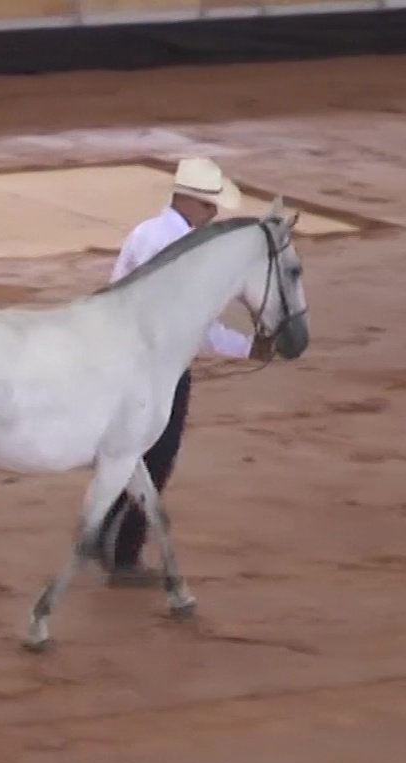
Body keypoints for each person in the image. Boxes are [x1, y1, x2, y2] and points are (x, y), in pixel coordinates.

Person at [96, 157, 256, 586]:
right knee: (154, 460)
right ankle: (122, 554)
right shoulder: (177, 247)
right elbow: (191, 323)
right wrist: (248, 348)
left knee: (132, 458)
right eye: (209, 205)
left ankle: (104, 539)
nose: (213, 213)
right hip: (153, 372)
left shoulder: (149, 233)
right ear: (188, 200)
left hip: (129, 362)